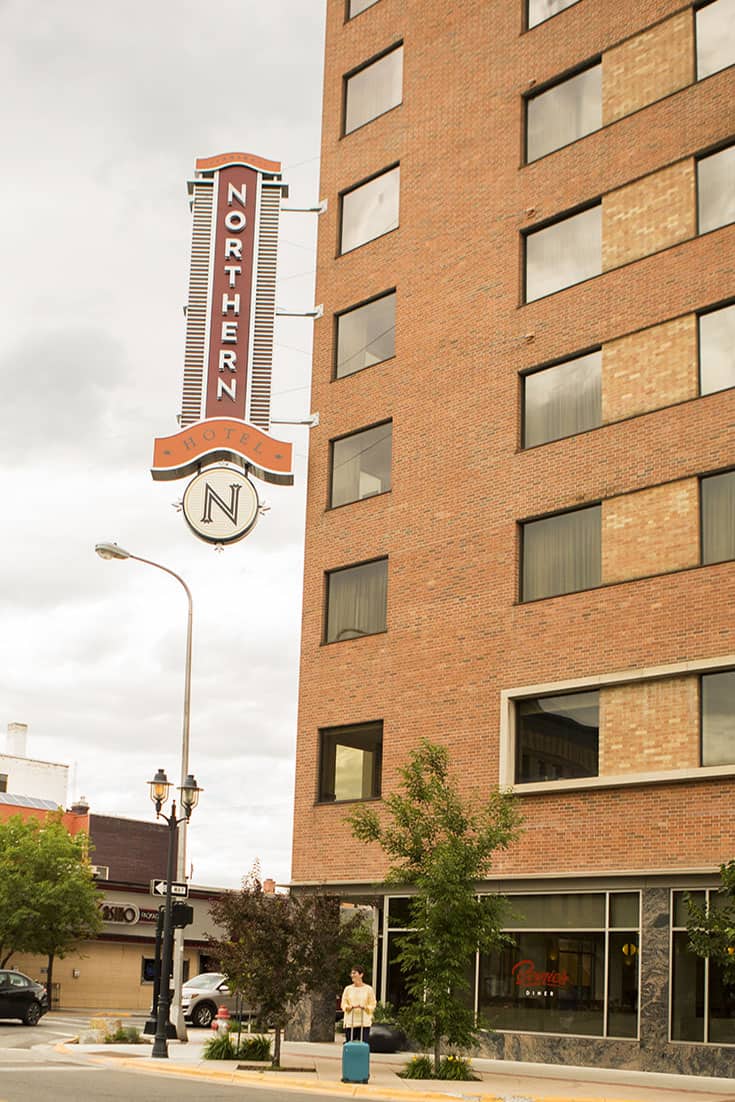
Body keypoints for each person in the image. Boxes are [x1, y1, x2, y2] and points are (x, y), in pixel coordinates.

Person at [340, 965, 376, 1043]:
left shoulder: (368, 989)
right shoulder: (348, 989)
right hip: (350, 1022)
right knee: (350, 1044)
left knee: (363, 1044)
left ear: (361, 974)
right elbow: (343, 1004)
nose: (352, 975)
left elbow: (373, 1004)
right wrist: (349, 1007)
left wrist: (365, 1007)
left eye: (354, 973)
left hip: (364, 1022)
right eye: (351, 973)